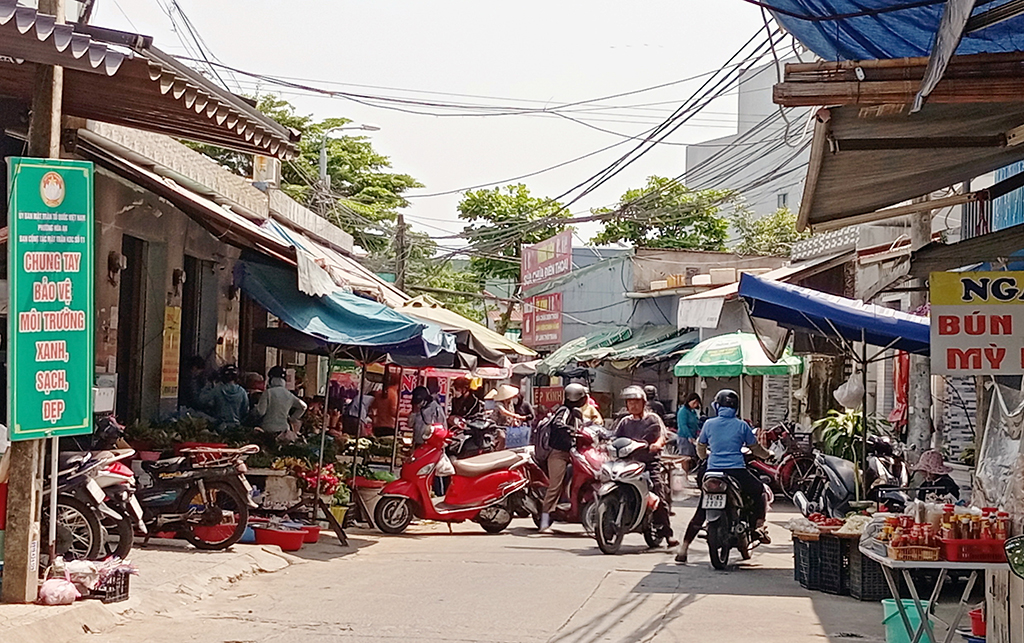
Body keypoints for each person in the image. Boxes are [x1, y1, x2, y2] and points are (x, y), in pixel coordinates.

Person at [676, 389, 771, 563]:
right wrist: (768, 455)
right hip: (736, 471)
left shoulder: (709, 424)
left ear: (717, 406)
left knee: (701, 511)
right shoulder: (742, 425)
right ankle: (759, 526)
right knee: (759, 491)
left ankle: (683, 549)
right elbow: (756, 448)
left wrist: (706, 458)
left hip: (712, 471)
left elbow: (700, 446)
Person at [614, 386, 677, 546]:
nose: (633, 406)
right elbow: (614, 437)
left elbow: (663, 435)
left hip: (648, 463)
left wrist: (656, 444)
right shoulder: (624, 421)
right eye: (630, 403)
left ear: (643, 403)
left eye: (636, 402)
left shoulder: (653, 419)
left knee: (657, 491)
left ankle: (667, 532)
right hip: (626, 463)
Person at [539, 383, 586, 532]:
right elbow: (558, 424)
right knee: (555, 486)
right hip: (558, 453)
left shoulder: (576, 412)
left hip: (572, 453)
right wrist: (570, 430)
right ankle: (544, 522)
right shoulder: (564, 410)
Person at [255, 366, 308, 440]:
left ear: (271, 378)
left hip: (268, 430)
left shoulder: (268, 393)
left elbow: (260, 412)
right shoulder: (289, 394)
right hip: (284, 430)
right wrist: (292, 418)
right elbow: (303, 407)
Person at [198, 364, 249, 430]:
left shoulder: (218, 389)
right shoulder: (242, 392)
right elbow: (245, 411)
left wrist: (208, 386)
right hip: (237, 427)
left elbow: (202, 400)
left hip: (220, 427)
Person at [371, 372, 401, 437]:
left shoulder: (380, 393)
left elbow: (373, 407)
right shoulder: (392, 393)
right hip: (388, 426)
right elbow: (393, 412)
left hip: (378, 425)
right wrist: (405, 413)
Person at [676, 393, 701, 468]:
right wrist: (689, 436)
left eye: (697, 403)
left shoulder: (693, 412)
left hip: (693, 437)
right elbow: (683, 425)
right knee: (685, 458)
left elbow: (696, 424)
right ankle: (685, 474)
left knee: (692, 458)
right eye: (694, 403)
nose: (695, 405)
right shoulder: (683, 411)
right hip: (684, 438)